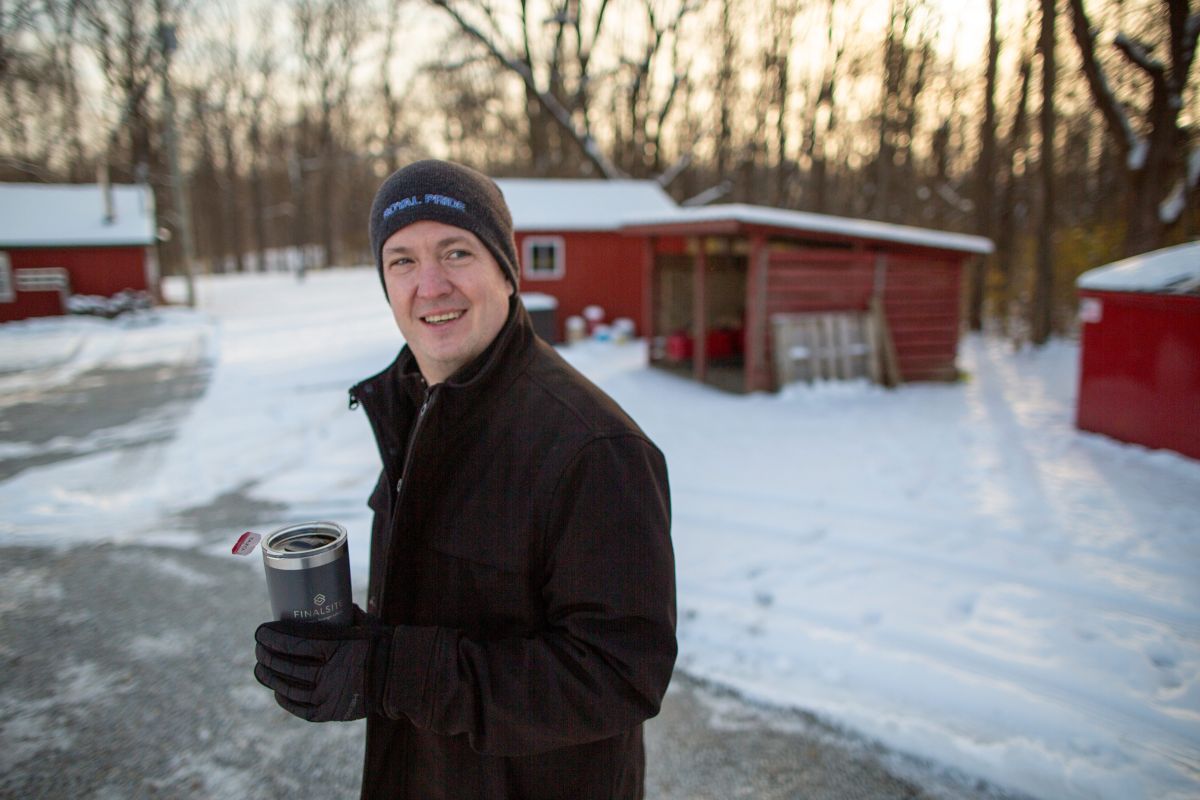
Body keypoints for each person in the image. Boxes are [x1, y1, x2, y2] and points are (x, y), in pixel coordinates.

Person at [253, 159, 677, 799]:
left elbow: (620, 675)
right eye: (402, 261)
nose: (430, 285)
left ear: (508, 272)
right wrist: (351, 647)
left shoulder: (594, 447)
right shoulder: (415, 405)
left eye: (456, 252)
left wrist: (391, 671)